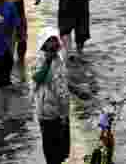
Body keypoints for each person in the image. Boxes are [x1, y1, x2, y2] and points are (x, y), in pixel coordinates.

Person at [33, 29, 70, 163]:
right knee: (51, 153)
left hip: (61, 112)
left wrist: (65, 114)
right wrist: (47, 62)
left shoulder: (60, 60)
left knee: (62, 152)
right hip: (47, 114)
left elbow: (63, 84)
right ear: (43, 44)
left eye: (54, 41)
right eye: (49, 41)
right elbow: (37, 78)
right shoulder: (40, 60)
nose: (52, 44)